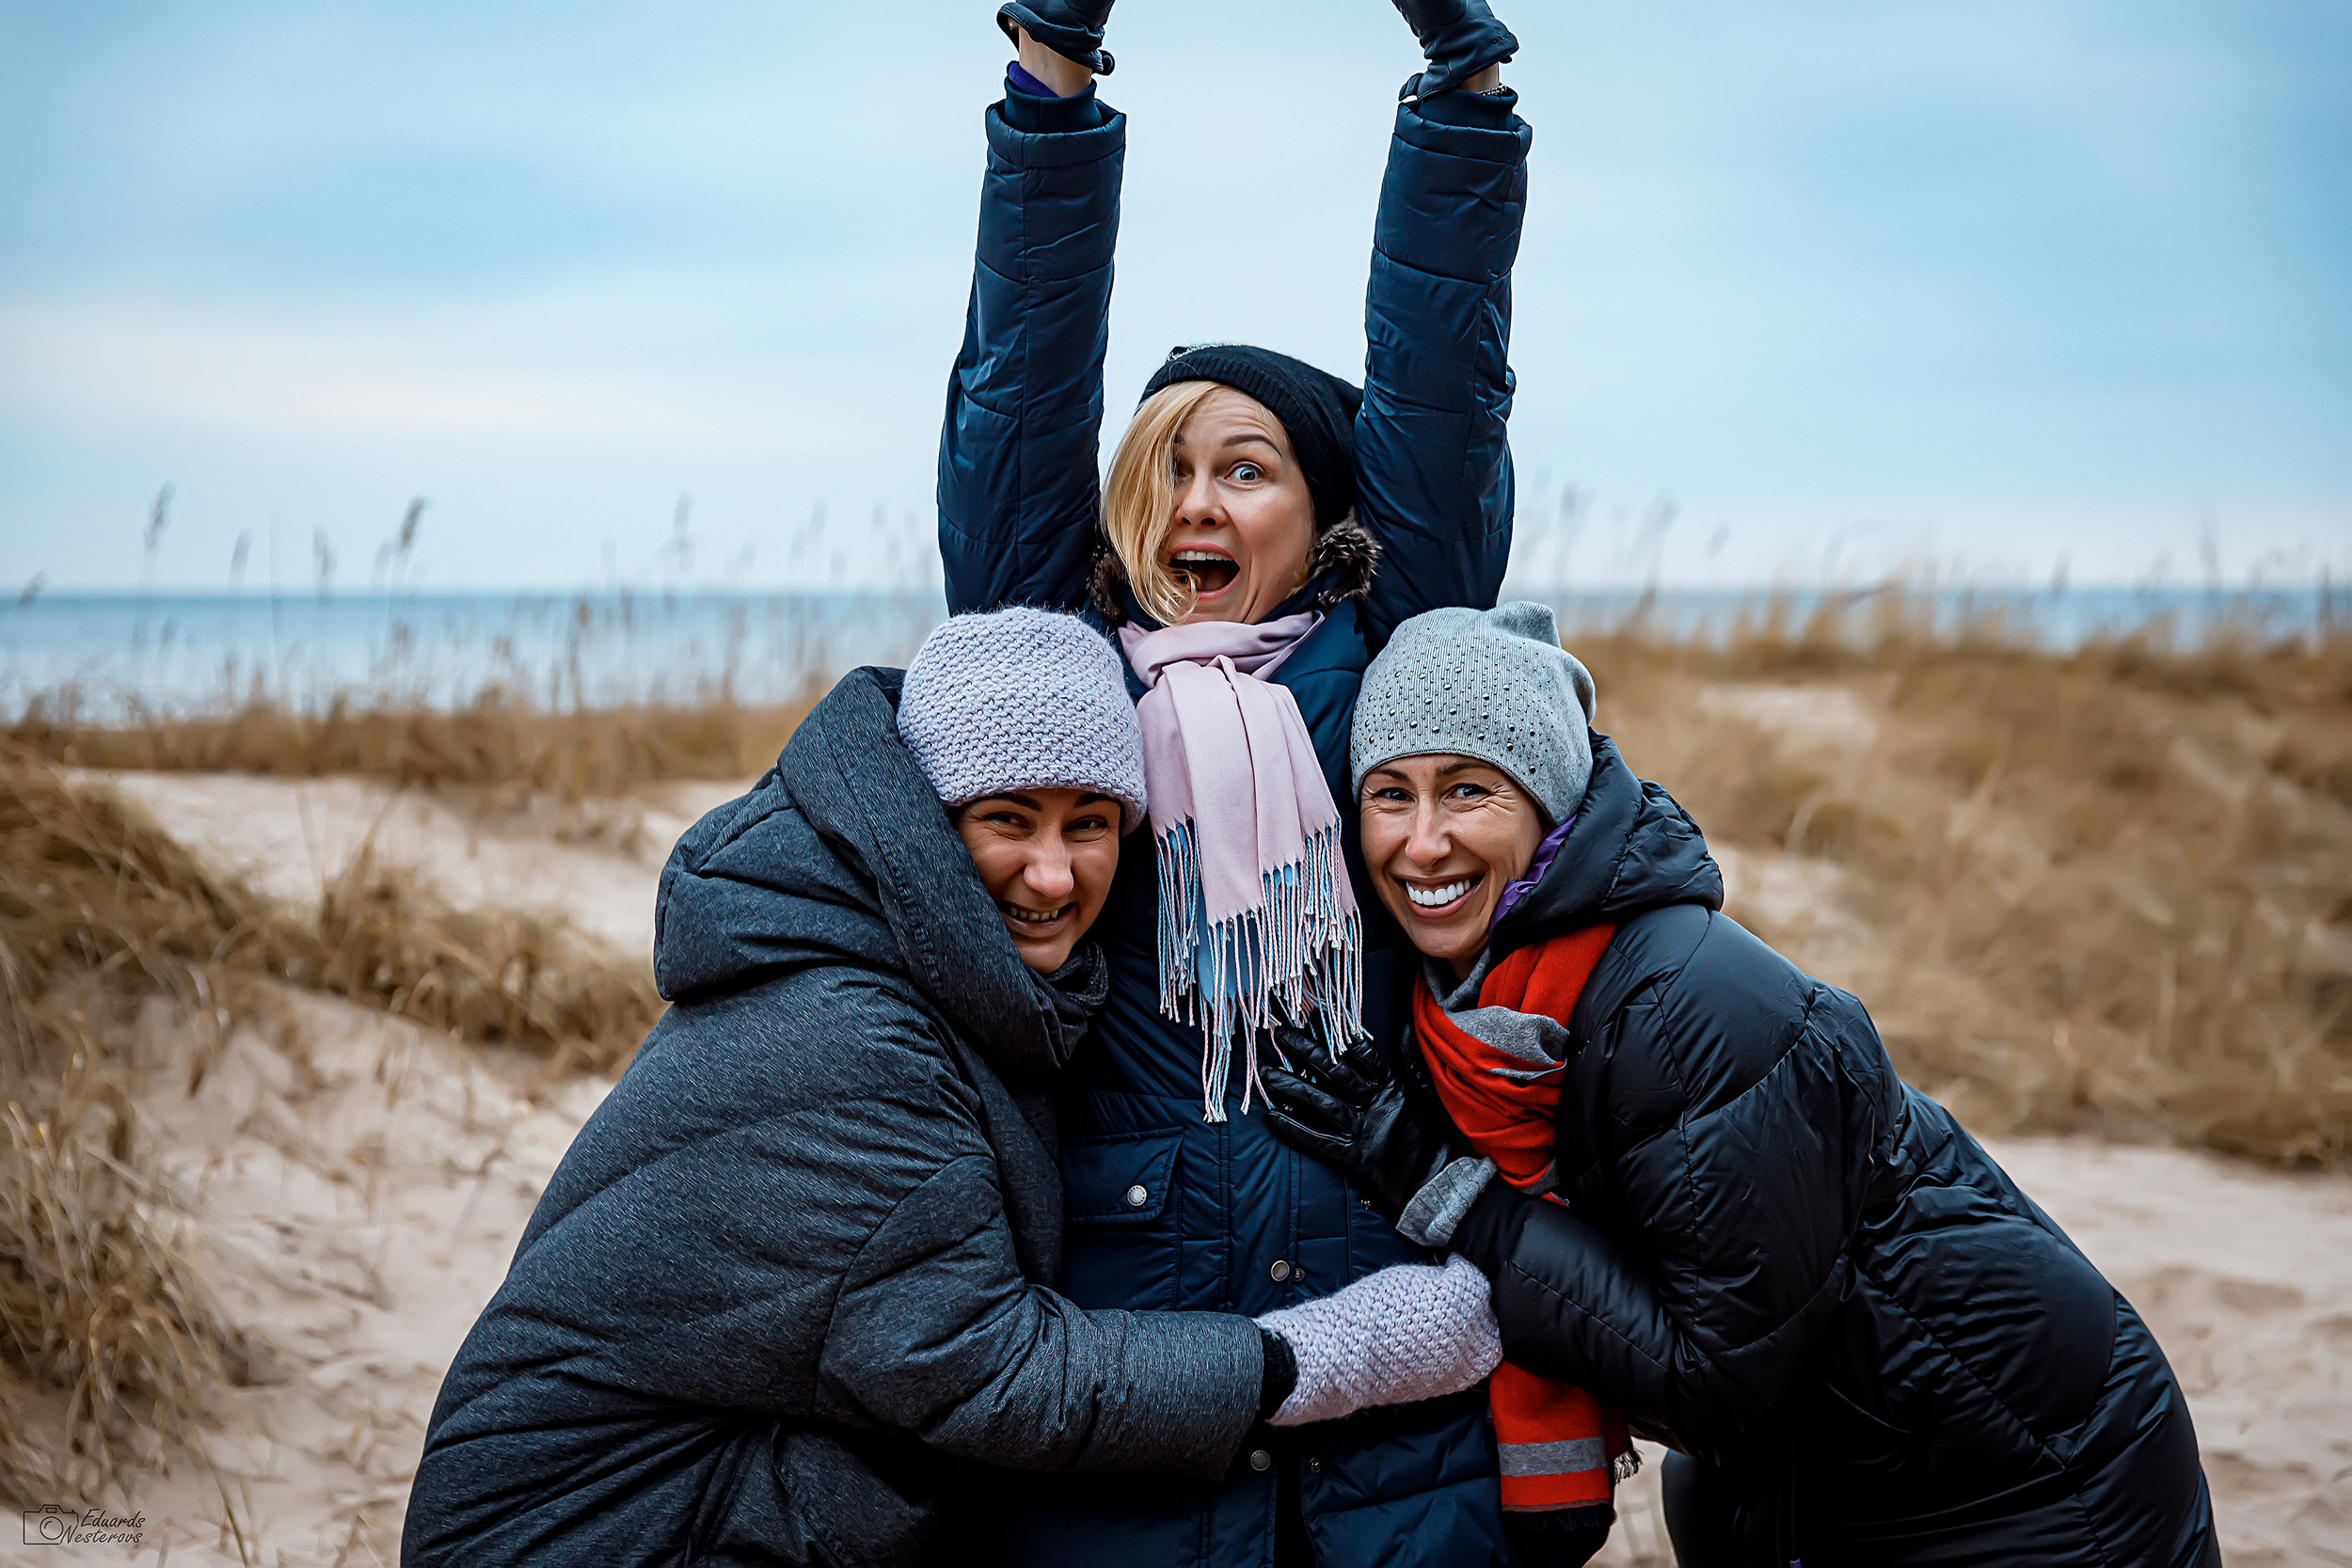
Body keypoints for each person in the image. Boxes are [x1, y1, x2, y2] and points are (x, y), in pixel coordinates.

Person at [400, 608, 1505, 1568]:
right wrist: (1336, 1351)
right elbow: (990, 1369)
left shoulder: (911, 960)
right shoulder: (850, 1036)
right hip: (598, 1531)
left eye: (1088, 822)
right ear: (928, 823)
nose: (1053, 871)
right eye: (1007, 819)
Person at [937, 3, 1549, 1562]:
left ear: (1323, 512)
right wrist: (1051, 92)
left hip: (1384, 1380)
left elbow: (1443, 385)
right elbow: (1018, 384)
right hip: (1129, 1380)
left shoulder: (1385, 673)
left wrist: (1462, 93)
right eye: (1170, 471)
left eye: (1246, 466)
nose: (1197, 503)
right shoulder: (1062, 673)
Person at [1262, 601, 2226, 1567]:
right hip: (1849, 1459)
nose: (1421, 843)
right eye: (1390, 795)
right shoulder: (1490, 1006)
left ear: (1548, 801)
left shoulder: (1680, 1009)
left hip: (2030, 1481)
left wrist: (1446, 1190)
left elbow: (1711, 1378)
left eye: (1467, 790)